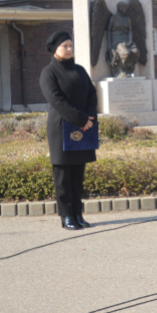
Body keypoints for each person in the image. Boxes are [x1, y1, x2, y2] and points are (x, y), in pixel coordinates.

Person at [39, 31, 98, 230]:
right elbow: (57, 101)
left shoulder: (80, 70)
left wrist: (89, 118)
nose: (69, 49)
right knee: (63, 176)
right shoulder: (49, 73)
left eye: (71, 45)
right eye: (65, 46)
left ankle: (78, 214)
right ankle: (66, 216)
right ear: (55, 49)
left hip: (83, 128)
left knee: (77, 175)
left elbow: (92, 94)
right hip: (61, 129)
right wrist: (81, 119)